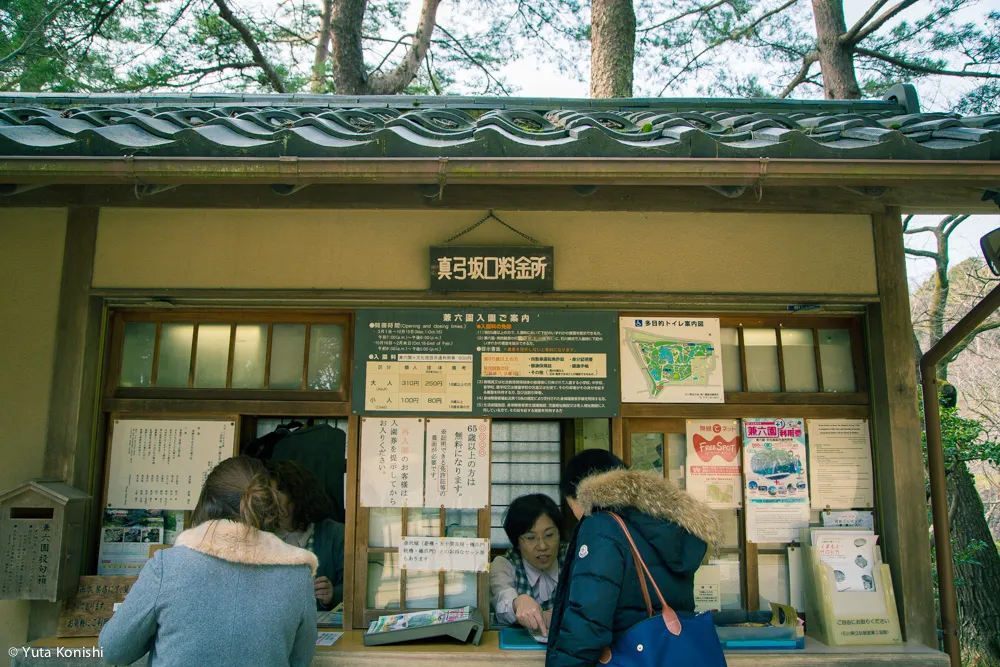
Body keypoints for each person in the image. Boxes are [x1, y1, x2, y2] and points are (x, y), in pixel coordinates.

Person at [99, 456, 318, 667]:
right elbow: (301, 660)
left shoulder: (167, 567)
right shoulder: (297, 575)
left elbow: (113, 650)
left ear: (206, 503)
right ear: (267, 506)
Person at [546, 449, 721, 667]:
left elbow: (589, 617)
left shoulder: (601, 526)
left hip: (629, 657)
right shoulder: (665, 525)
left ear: (580, 494)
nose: (574, 513)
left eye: (571, 504)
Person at [269, 459, 346, 610]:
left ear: (297, 496)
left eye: (279, 493)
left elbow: (356, 587)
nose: (272, 501)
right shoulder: (263, 536)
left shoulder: (335, 534)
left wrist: (333, 594)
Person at [490, 493, 569, 636]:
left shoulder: (572, 556)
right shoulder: (504, 564)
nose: (543, 546)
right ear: (517, 542)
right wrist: (518, 603)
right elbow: (502, 600)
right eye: (531, 538)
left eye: (550, 535)